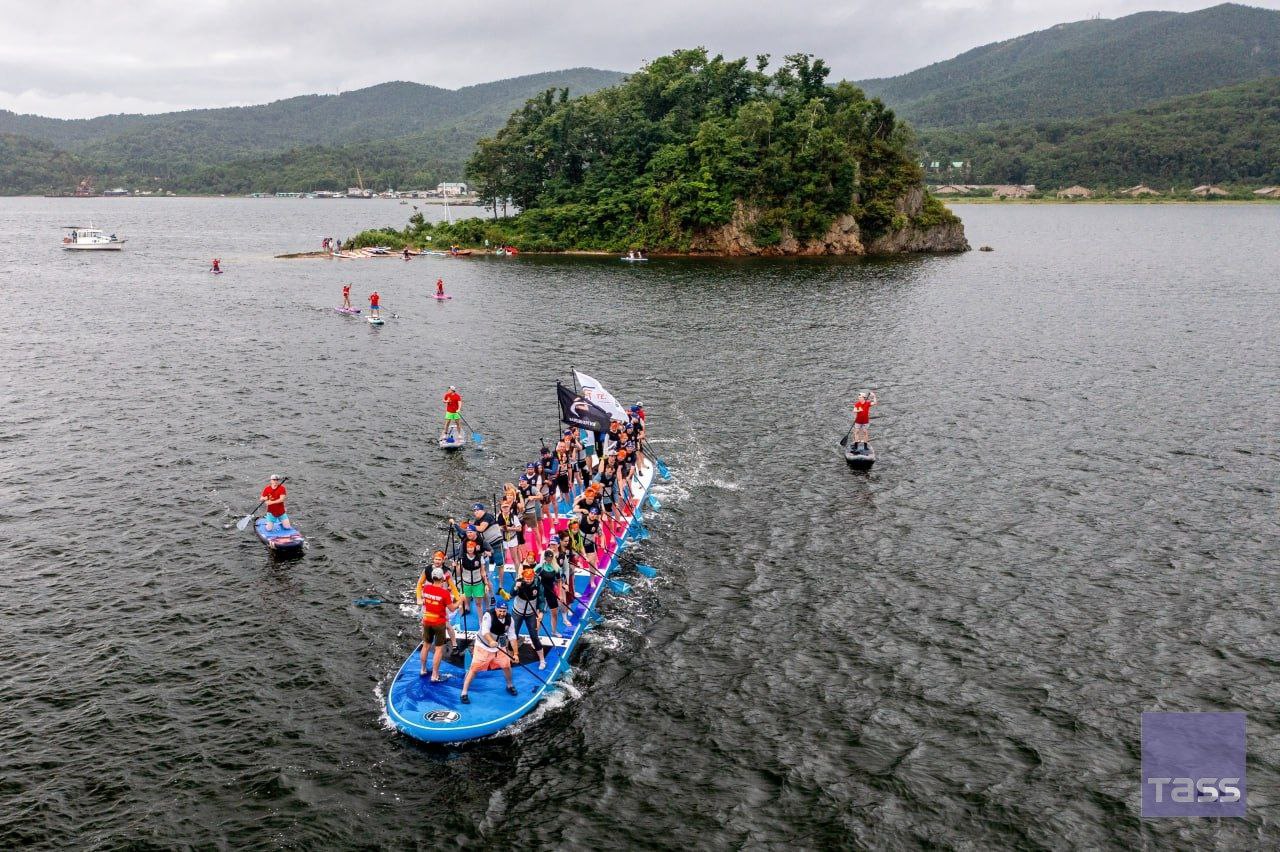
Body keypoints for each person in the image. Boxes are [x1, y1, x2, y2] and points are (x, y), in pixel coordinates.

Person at [459, 599, 519, 703]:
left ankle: (510, 685)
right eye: (500, 611)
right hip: (483, 646)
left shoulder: (510, 619)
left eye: (504, 611)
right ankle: (464, 693)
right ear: (496, 609)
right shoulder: (488, 615)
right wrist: (491, 641)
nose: (502, 613)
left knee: (506, 666)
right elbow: (485, 631)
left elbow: (512, 637)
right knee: (474, 669)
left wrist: (516, 654)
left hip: (500, 645)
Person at [416, 566, 456, 680]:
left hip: (427, 621)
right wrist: (461, 600)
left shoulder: (426, 589)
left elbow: (431, 599)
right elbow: (452, 609)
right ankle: (435, 675)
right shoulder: (445, 594)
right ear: (442, 579)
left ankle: (423, 669)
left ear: (433, 578)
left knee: (426, 645)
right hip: (439, 623)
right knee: (438, 649)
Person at [509, 562, 546, 669]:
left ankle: (542, 660)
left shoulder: (537, 584)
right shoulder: (519, 581)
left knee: (534, 636)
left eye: (530, 579)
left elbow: (541, 599)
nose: (529, 581)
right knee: (513, 635)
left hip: (531, 613)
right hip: (517, 612)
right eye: (527, 579)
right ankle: (510, 657)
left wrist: (541, 612)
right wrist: (516, 587)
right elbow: (511, 594)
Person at [455, 538, 492, 625]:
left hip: (478, 584)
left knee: (478, 604)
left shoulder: (479, 557)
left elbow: (483, 572)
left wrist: (486, 584)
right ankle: (460, 620)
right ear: (466, 548)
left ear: (475, 548)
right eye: (468, 547)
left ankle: (481, 620)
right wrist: (457, 566)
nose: (470, 549)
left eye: (472, 547)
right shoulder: (462, 558)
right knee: (464, 602)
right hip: (466, 584)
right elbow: (458, 574)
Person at [536, 548, 569, 635]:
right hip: (541, 592)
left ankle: (554, 631)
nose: (549, 559)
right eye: (548, 557)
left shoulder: (556, 568)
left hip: (551, 592)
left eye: (551, 557)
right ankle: (536, 635)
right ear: (545, 558)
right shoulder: (540, 567)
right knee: (539, 615)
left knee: (554, 613)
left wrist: (560, 595)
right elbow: (532, 576)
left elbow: (559, 581)